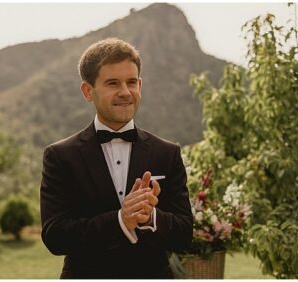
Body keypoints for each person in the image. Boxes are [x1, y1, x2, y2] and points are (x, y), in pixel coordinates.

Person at [39, 38, 193, 278]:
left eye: (131, 82)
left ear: (140, 85)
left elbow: (184, 234)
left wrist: (151, 217)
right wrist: (120, 220)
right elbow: (55, 237)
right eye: (113, 83)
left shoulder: (167, 152)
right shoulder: (60, 156)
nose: (125, 92)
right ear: (87, 91)